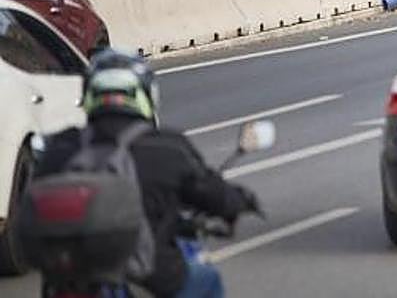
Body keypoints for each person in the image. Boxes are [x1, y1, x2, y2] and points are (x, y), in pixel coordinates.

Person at [34, 50, 259, 298]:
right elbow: (214, 195)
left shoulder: (62, 147)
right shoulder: (167, 147)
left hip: (71, 282)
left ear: (89, 94)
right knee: (208, 280)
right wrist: (241, 200)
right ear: (146, 94)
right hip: (151, 276)